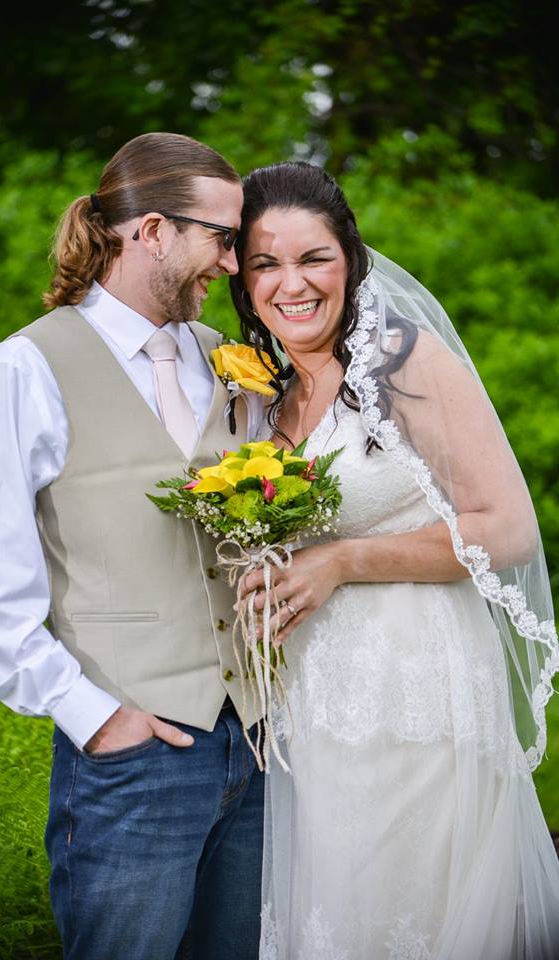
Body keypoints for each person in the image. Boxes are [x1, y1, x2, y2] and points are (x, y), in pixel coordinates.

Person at [0, 132, 265, 960]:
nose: (232, 266)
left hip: (260, 750)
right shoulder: (24, 371)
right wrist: (96, 719)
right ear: (151, 231)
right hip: (134, 758)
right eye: (222, 239)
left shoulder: (222, 361)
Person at [229, 161, 559, 959]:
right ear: (241, 277)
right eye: (266, 262)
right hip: (309, 703)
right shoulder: (254, 391)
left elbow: (508, 527)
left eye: (315, 258)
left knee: (412, 909)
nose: (292, 284)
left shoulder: (405, 365)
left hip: (416, 691)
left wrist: (345, 560)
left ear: (352, 258)